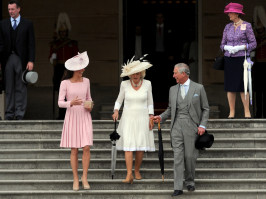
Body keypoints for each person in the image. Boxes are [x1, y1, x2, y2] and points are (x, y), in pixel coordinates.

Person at [153, 63, 209, 197]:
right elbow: (170, 109)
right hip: (176, 126)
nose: (173, 76)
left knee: (189, 157)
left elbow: (206, 109)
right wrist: (161, 117)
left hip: (192, 126)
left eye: (175, 73)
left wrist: (202, 125)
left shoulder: (199, 88)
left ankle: (190, 181)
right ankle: (177, 187)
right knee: (178, 157)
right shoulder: (172, 89)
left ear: (184, 73)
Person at [112, 56, 155, 184]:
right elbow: (119, 100)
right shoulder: (124, 84)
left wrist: (151, 116)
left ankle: (136, 170)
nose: (135, 75)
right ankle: (129, 174)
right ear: (129, 75)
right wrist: (115, 111)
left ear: (141, 73)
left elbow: (150, 102)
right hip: (128, 118)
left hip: (142, 117)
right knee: (129, 146)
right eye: (133, 73)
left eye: (137, 73)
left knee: (140, 147)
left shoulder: (147, 83)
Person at [58, 51, 93, 191]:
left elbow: (89, 98)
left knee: (86, 147)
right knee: (74, 149)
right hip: (72, 116)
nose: (83, 69)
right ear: (74, 69)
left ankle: (84, 177)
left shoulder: (87, 81)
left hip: (85, 116)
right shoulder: (65, 83)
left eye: (84, 67)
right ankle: (75, 179)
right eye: (81, 67)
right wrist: (70, 103)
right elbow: (60, 103)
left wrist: (90, 105)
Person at [0, 0, 35, 120]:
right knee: (9, 87)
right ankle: (9, 113)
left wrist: (31, 60)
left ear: (18, 9)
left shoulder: (28, 24)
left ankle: (20, 113)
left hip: (22, 59)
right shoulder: (3, 24)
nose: (10, 11)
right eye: (9, 9)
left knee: (21, 87)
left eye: (13, 9)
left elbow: (31, 44)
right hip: (8, 59)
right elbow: (0, 44)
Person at [221, 2, 257, 119]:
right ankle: (232, 112)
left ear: (236, 13)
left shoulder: (247, 26)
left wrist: (241, 47)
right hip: (229, 59)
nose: (228, 15)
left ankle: (247, 111)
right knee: (230, 86)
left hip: (242, 59)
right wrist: (227, 48)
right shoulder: (227, 27)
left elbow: (253, 43)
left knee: (243, 85)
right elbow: (222, 44)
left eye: (230, 12)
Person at [49, 12, 79, 119]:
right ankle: (61, 114)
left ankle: (69, 114)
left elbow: (76, 57)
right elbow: (51, 58)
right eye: (60, 32)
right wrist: (53, 58)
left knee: (69, 92)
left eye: (64, 32)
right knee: (60, 92)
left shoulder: (72, 43)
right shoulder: (55, 44)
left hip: (69, 69)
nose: (62, 34)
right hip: (58, 69)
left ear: (66, 33)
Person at [252, 6, 266, 118]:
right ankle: (258, 113)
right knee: (258, 92)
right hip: (257, 66)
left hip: (265, 66)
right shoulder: (255, 39)